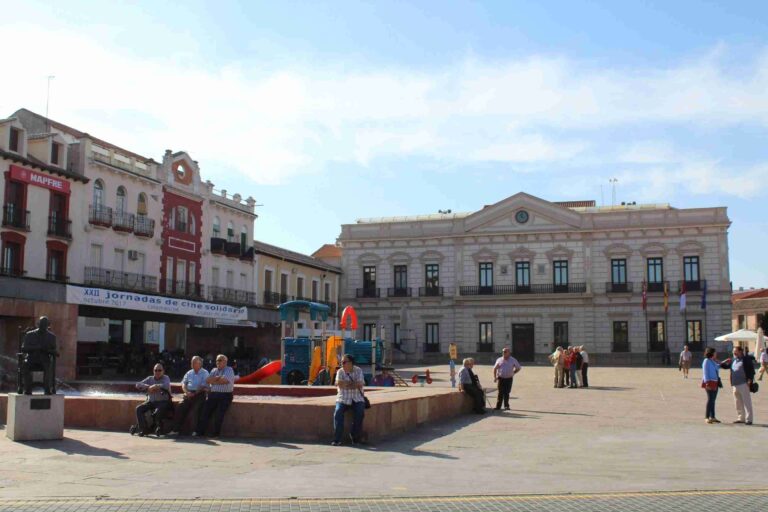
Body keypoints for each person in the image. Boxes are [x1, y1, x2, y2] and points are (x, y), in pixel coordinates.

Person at [194, 354, 235, 438]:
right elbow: (208, 380)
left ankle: (216, 434)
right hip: (213, 394)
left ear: (225, 362)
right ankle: (200, 432)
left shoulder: (229, 369)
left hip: (225, 395)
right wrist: (218, 378)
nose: (217, 362)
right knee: (205, 411)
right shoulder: (214, 370)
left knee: (219, 414)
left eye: (220, 360)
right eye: (216, 360)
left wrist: (214, 381)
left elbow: (225, 380)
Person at [332, 354, 366, 446]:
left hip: (357, 397)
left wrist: (346, 384)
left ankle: (355, 437)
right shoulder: (340, 371)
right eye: (341, 362)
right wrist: (352, 384)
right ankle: (337, 439)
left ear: (351, 363)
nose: (341, 364)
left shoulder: (358, 370)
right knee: (338, 412)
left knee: (360, 412)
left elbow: (360, 384)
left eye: (344, 362)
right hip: (343, 398)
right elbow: (339, 383)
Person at [170, 356, 209, 435]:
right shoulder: (189, 372)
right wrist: (187, 392)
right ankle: (175, 429)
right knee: (180, 406)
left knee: (197, 408)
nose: (192, 364)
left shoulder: (205, 373)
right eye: (192, 362)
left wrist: (194, 394)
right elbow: (184, 383)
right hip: (189, 393)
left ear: (200, 364)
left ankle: (197, 431)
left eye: (194, 362)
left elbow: (203, 386)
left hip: (199, 394)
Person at [720, 346, 755, 425]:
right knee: (738, 402)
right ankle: (741, 418)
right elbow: (726, 366)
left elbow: (751, 370)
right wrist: (722, 362)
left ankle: (749, 419)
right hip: (735, 385)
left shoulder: (746, 359)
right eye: (733, 351)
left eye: (735, 351)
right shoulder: (733, 360)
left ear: (740, 351)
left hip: (743, 384)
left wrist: (749, 380)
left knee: (747, 402)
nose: (734, 353)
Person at [134, 363, 172, 436]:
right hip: (151, 402)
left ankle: (159, 427)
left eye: (159, 370)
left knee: (158, 411)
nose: (157, 372)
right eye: (156, 370)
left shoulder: (166, 378)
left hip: (163, 402)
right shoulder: (150, 378)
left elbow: (166, 385)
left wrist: (156, 386)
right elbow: (138, 384)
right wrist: (148, 387)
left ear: (163, 371)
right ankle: (144, 429)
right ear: (153, 371)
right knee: (139, 409)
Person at [701, 347, 721, 424]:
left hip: (715, 382)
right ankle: (706, 417)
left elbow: (717, 367)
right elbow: (705, 373)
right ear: (711, 353)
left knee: (713, 400)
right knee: (710, 400)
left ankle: (712, 416)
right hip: (709, 382)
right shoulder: (706, 361)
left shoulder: (712, 361)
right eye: (715, 352)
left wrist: (721, 362)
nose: (716, 354)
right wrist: (707, 383)